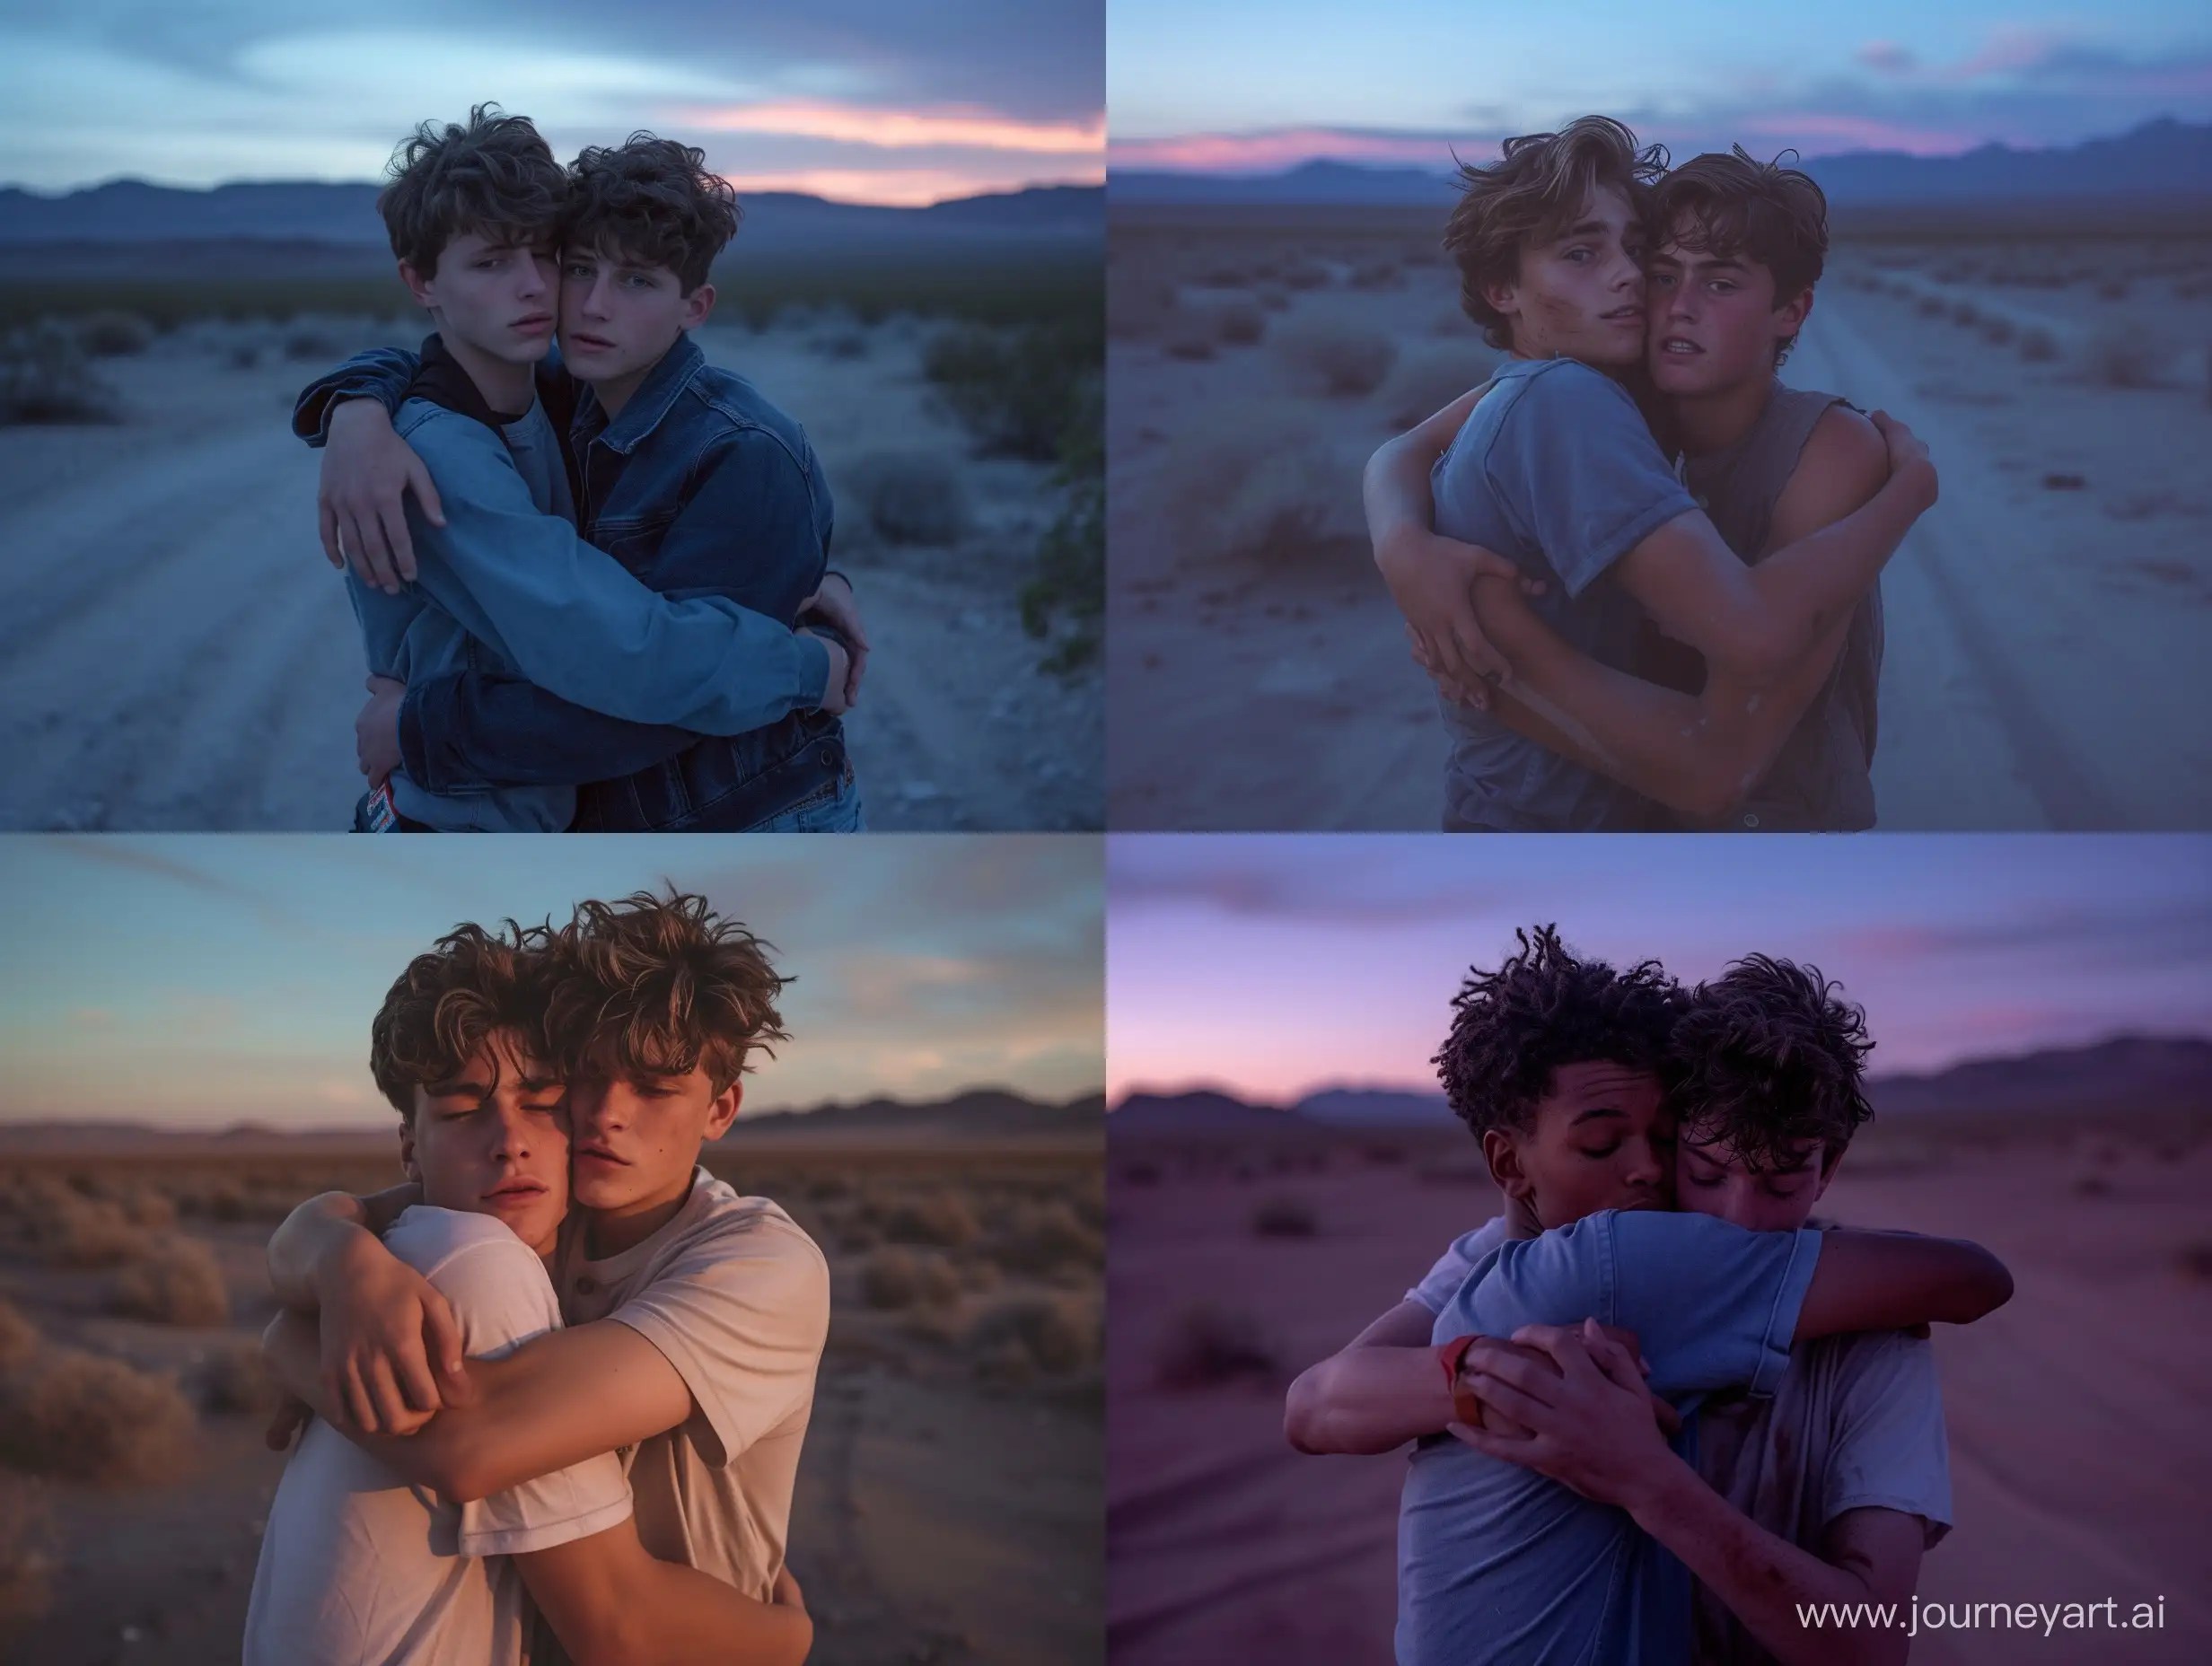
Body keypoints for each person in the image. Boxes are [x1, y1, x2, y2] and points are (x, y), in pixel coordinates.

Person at [1279, 927, 2010, 1664]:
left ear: (1830, 1166)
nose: (1738, 1220)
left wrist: (1645, 1480)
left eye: (1783, 1182)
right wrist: (1495, 1378)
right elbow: (1313, 1404)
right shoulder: (1582, 1259)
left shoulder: (1869, 1337)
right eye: (1698, 1168)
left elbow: (1867, 1648)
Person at [262, 890, 831, 1662]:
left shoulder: (760, 1264)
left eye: (656, 1088)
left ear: (721, 1110)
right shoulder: (533, 1219)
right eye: (587, 1079)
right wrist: (338, 1262)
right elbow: (336, 1220)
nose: (606, 1116)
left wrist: (290, 1351)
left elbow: (471, 1443)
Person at [1358, 118, 1934, 831]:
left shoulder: (1648, 403)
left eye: (1637, 252)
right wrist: (1908, 494)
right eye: (1583, 253)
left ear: (1791, 311)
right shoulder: (1569, 397)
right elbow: (1407, 448)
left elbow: (1402, 449)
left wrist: (1403, 546)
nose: (1638, 281)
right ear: (1501, 288)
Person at [299, 115, 867, 832]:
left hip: (741, 819)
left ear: (696, 306)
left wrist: (810, 578)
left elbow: (644, 680)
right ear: (421, 283)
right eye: (577, 269)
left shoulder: (641, 417)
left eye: (545, 257)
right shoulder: (443, 453)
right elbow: (624, 662)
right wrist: (354, 410)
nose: (548, 292)